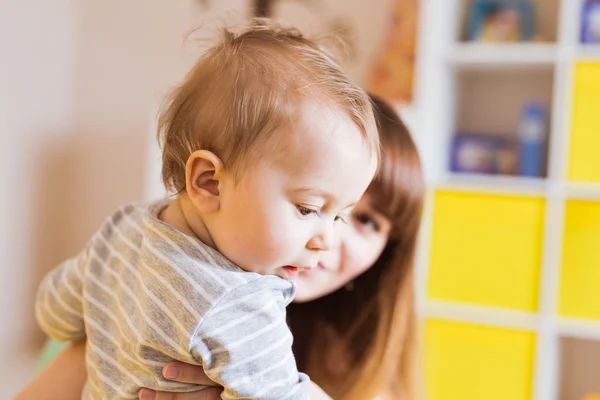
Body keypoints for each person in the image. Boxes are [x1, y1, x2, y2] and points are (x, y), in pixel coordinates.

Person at [32, 20, 380, 400]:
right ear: (209, 182)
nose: (325, 240)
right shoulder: (239, 302)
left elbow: (54, 310)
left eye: (339, 216)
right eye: (308, 208)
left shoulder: (123, 226)